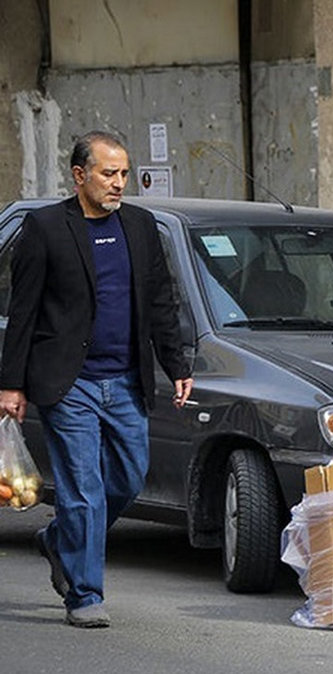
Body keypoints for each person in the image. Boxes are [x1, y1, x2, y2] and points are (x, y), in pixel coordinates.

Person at [0, 130, 194, 628]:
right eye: (109, 173)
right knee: (83, 489)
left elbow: (161, 303)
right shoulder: (45, 228)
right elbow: (22, 312)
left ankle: (60, 538)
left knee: (128, 478)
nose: (119, 183)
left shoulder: (141, 226)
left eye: (124, 174)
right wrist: (11, 384)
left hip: (126, 380)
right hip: (70, 384)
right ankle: (84, 594)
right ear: (80, 175)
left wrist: (177, 365)